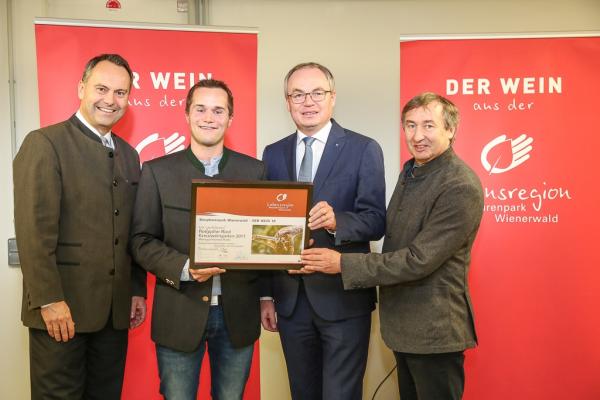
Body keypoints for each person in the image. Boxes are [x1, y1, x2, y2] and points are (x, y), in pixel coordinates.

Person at [302, 92, 484, 400]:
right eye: (410, 126)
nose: (418, 136)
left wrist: (342, 264)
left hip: (435, 331)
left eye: (429, 125)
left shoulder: (459, 185)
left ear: (451, 130)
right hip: (404, 328)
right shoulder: (413, 170)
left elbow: (417, 260)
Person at [13, 53, 147, 400]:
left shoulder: (130, 155)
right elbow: (34, 232)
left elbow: (130, 231)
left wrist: (135, 289)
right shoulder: (45, 144)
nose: (110, 100)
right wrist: (48, 299)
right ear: (81, 88)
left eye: (120, 93)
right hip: (62, 311)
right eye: (101, 88)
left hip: (113, 315)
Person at [129, 79, 265, 400]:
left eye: (219, 111)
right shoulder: (157, 171)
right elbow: (141, 240)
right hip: (179, 312)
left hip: (237, 316)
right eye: (200, 109)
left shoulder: (255, 171)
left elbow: (263, 238)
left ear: (230, 119)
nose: (209, 117)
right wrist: (185, 267)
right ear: (187, 115)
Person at [261, 62, 386, 400]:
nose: (308, 101)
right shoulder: (272, 154)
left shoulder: (364, 149)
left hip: (343, 300)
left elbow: (376, 220)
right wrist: (267, 295)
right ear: (287, 102)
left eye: (317, 92)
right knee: (303, 394)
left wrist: (338, 221)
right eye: (298, 94)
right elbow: (266, 227)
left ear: (332, 98)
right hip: (290, 302)